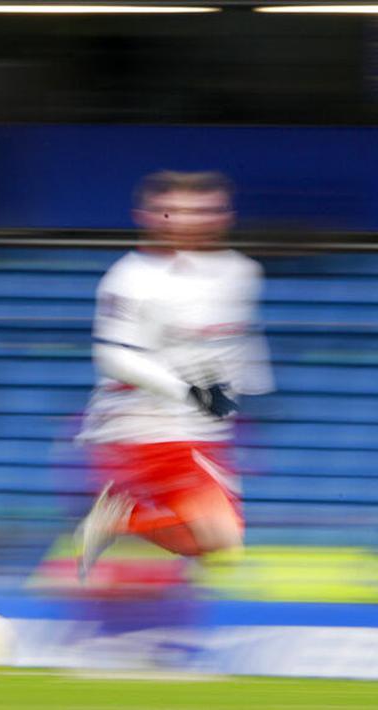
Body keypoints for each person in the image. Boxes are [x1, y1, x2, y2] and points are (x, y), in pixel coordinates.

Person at [75, 170, 273, 583]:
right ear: (145, 216)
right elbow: (113, 357)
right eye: (174, 213)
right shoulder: (131, 279)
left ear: (223, 215)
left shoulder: (240, 273)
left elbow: (236, 338)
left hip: (203, 428)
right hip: (141, 424)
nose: (189, 221)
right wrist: (190, 392)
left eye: (203, 211)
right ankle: (124, 516)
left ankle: (125, 521)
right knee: (223, 540)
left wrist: (250, 389)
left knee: (216, 547)